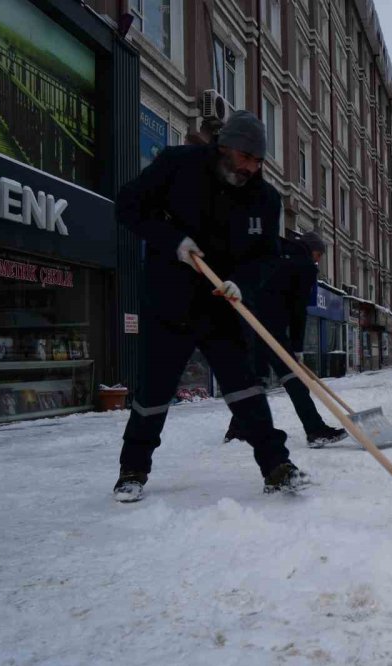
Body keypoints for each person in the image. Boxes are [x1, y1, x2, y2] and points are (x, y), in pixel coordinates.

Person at [112, 110, 307, 503]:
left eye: (258, 161)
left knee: (246, 389)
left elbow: (268, 256)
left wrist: (244, 283)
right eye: (246, 157)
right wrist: (174, 242)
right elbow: (128, 206)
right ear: (225, 147)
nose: (252, 167)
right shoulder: (177, 165)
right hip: (170, 299)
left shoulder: (265, 199)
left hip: (223, 306)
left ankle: (276, 466)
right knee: (154, 390)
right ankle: (132, 470)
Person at [224, 231, 347, 448]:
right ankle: (315, 430)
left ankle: (237, 428)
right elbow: (298, 309)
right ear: (313, 251)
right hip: (272, 328)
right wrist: (297, 347)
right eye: (319, 255)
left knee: (256, 379)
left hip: (248, 320)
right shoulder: (305, 266)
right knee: (294, 379)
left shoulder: (276, 250)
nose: (318, 260)